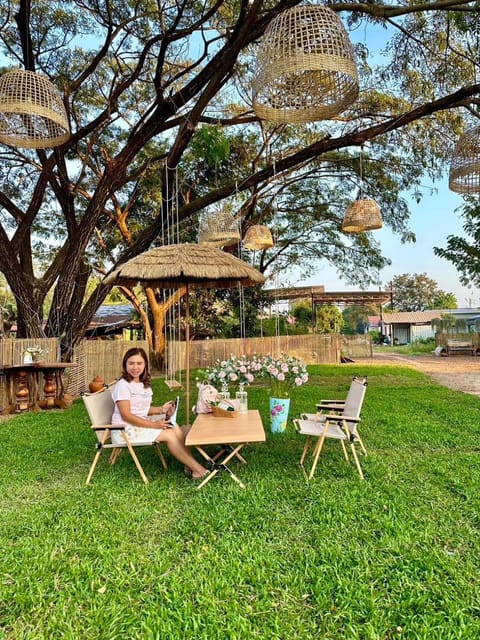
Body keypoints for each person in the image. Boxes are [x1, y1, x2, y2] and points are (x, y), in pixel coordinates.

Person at [111, 347, 209, 481]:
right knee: (168, 434)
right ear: (125, 365)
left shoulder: (142, 383)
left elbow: (141, 409)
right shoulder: (123, 385)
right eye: (131, 363)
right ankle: (198, 469)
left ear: (145, 364)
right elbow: (126, 415)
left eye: (139, 363)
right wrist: (153, 425)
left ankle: (189, 466)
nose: (135, 367)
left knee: (175, 427)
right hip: (124, 430)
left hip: (138, 424)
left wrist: (161, 410)